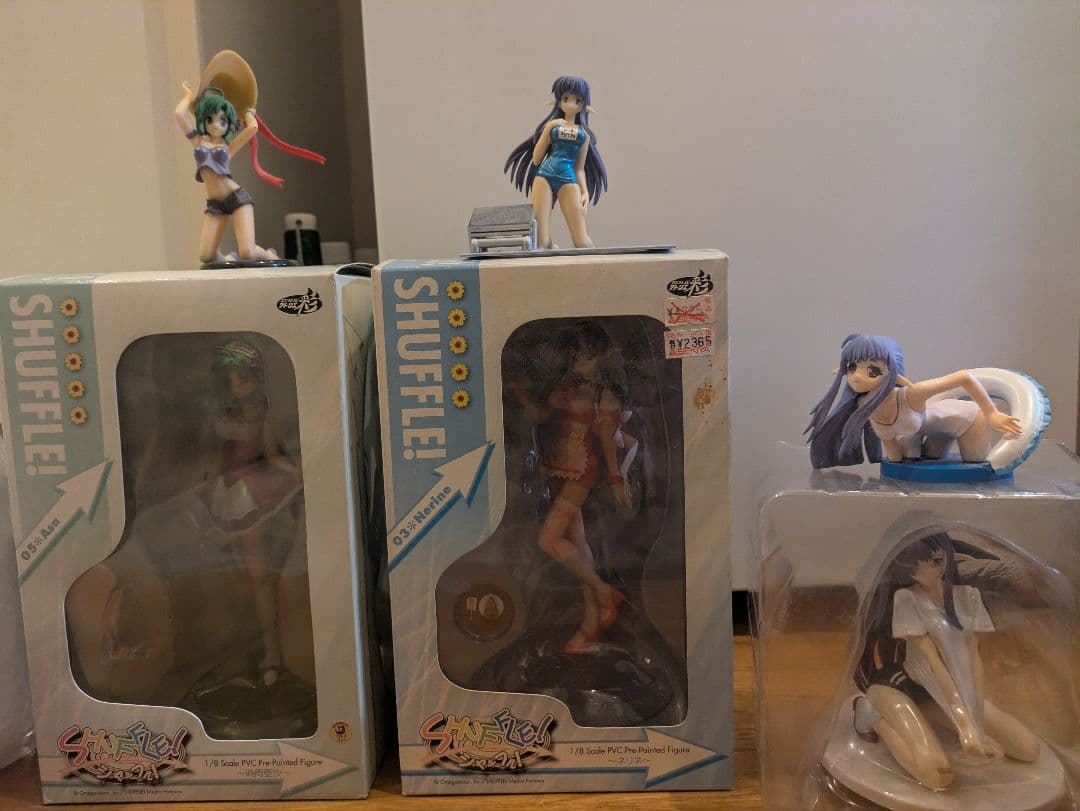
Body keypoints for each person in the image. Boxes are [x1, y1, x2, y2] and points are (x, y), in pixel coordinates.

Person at [850, 530, 1040, 790]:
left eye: (935, 560)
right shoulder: (907, 599)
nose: (924, 568)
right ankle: (872, 714)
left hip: (947, 691)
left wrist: (977, 723)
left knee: (1028, 748)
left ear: (947, 557)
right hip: (903, 685)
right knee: (938, 775)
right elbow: (930, 666)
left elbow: (974, 660)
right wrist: (965, 725)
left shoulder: (968, 597)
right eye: (912, 564)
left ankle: (929, 715)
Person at [508, 323, 635, 654]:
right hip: (556, 465)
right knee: (578, 542)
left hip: (582, 469)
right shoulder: (566, 386)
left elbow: (607, 442)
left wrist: (617, 481)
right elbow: (542, 416)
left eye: (587, 356)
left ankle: (604, 591)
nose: (581, 361)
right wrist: (518, 393)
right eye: (577, 355)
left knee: (548, 540)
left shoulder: (602, 396)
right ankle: (590, 628)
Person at [805, 334, 1022, 469]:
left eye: (872, 370)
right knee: (929, 460)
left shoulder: (912, 395)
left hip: (968, 419)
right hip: (938, 431)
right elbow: (893, 454)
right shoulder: (863, 406)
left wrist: (991, 412)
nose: (856, 377)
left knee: (975, 465)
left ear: (894, 372)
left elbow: (964, 377)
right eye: (852, 367)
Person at [505, 75, 608, 249]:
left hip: (568, 179)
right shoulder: (553, 127)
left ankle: (595, 263)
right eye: (565, 98)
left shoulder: (583, 135)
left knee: (582, 241)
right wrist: (548, 128)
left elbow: (579, 168)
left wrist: (584, 191)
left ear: (583, 104)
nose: (570, 104)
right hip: (544, 177)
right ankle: (550, 249)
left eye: (577, 100)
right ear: (559, 101)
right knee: (542, 242)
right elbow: (537, 158)